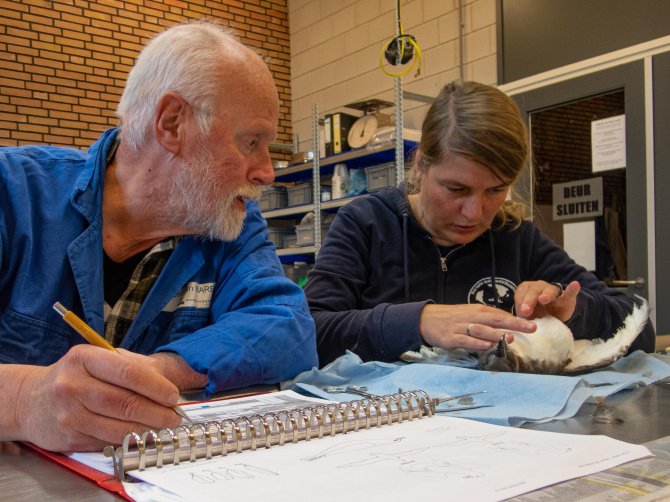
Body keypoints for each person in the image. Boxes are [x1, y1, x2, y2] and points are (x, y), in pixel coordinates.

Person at [0, 20, 317, 452]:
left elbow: (286, 326)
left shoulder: (230, 223)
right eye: (251, 143)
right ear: (171, 124)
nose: (266, 172)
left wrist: (159, 369)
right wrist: (24, 401)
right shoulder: (13, 194)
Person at [305, 80, 654, 367]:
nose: (474, 213)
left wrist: (574, 311)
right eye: (456, 189)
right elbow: (309, 333)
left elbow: (641, 330)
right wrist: (417, 322)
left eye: (495, 190)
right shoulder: (365, 223)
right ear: (422, 166)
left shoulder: (516, 237)